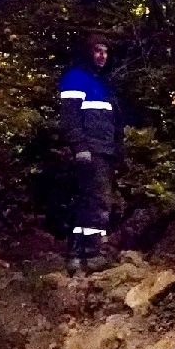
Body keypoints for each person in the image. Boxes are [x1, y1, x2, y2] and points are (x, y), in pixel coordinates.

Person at [58, 32, 122, 275]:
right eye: (97, 50)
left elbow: (113, 123)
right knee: (98, 201)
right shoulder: (76, 79)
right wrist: (80, 147)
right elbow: (70, 118)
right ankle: (92, 256)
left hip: (103, 150)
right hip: (90, 150)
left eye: (105, 51)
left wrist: (116, 151)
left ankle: (77, 254)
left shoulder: (102, 83)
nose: (102, 56)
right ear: (87, 52)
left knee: (88, 201)